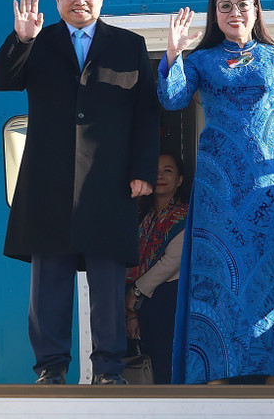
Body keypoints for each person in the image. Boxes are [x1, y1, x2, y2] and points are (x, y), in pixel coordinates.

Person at [0, 0, 160, 385]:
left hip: (110, 182)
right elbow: (0, 81)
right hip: (49, 182)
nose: (79, 1)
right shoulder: (38, 42)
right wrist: (20, 40)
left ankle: (109, 369)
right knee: (49, 281)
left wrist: (142, 171)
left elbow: (145, 113)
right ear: (57, 0)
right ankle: (50, 367)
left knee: (106, 281)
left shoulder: (128, 44)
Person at [158, 0, 274, 385]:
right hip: (220, 188)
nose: (235, 13)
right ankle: (213, 378)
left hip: (273, 188)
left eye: (242, 4)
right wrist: (174, 53)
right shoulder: (201, 60)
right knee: (218, 279)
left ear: (255, 9)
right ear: (215, 14)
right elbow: (172, 98)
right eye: (225, 6)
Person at [125, 153, 189, 384]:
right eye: (156, 170)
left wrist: (136, 291)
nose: (160, 175)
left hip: (167, 299)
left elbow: (172, 262)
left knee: (164, 365)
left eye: (168, 170)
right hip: (138, 301)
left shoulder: (186, 216)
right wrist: (130, 306)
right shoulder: (141, 215)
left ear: (180, 180)